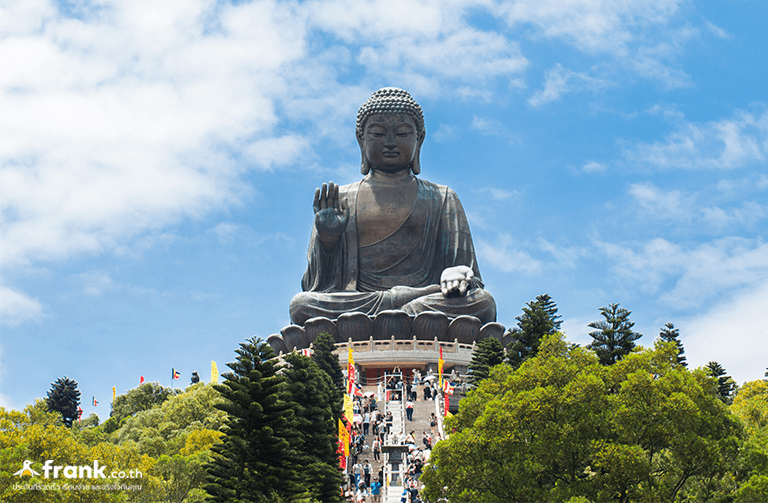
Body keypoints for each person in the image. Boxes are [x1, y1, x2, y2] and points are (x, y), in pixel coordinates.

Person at [289, 88, 496, 326]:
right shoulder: (341, 199)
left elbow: (470, 280)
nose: (389, 143)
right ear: (361, 140)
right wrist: (328, 240)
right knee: (302, 305)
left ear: (419, 139)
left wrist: (456, 274)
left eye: (402, 134)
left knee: (483, 303)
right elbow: (318, 287)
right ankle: (403, 314)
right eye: (377, 134)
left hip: (424, 300)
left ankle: (399, 313)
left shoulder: (442, 198)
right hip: (362, 302)